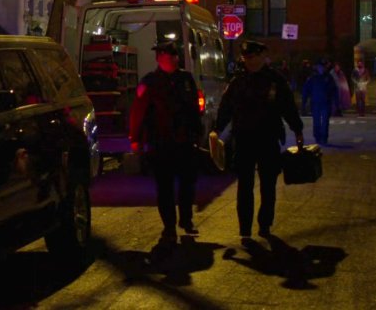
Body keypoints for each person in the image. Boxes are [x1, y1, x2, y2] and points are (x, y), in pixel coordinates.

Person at [213, 40, 303, 238]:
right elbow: (226, 108)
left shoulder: (275, 80)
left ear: (263, 56)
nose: (249, 61)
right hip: (244, 139)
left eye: (253, 57)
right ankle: (245, 228)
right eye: (246, 58)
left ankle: (264, 224)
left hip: (267, 138)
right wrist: (216, 130)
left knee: (268, 186)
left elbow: (287, 106)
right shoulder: (238, 81)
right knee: (244, 186)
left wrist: (297, 129)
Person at [129, 41, 204, 244]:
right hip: (160, 142)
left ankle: (186, 220)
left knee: (187, 183)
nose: (165, 59)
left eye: (169, 56)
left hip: (185, 141)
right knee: (165, 187)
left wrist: (198, 132)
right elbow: (138, 111)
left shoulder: (185, 80)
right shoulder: (150, 82)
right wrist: (135, 138)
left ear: (175, 58)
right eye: (161, 56)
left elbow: (194, 110)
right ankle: (169, 226)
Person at [302, 60, 338, 145]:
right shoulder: (313, 78)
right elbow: (306, 89)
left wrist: (335, 102)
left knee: (325, 121)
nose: (321, 69)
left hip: (325, 102)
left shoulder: (328, 77)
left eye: (322, 67)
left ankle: (324, 137)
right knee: (316, 121)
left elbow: (334, 90)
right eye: (319, 67)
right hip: (315, 102)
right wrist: (304, 101)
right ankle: (317, 136)